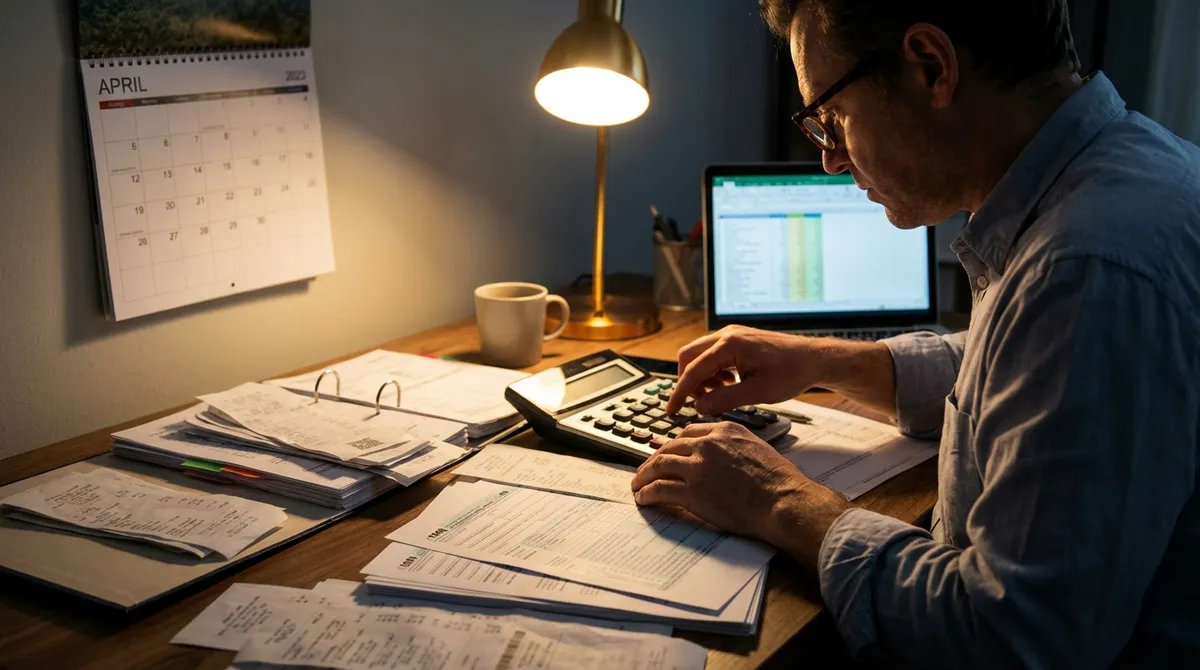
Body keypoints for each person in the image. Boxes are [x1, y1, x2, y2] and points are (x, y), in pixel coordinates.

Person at [632, 0, 1200, 666]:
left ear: (931, 66)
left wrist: (780, 500)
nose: (831, 161)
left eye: (834, 118)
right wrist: (820, 361)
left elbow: (1013, 638)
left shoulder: (1085, 269)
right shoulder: (1131, 174)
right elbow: (1021, 373)